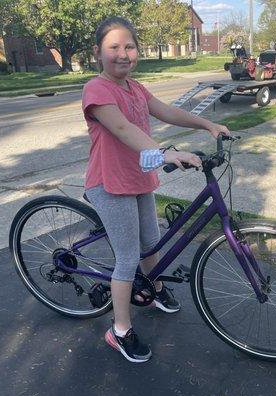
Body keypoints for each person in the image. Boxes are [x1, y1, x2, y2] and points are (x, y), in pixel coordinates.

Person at [81, 16, 230, 363]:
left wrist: (207, 124)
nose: (123, 54)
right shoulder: (97, 89)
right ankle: (119, 331)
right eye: (113, 47)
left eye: (129, 46)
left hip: (138, 178)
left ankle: (155, 288)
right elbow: (121, 129)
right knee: (129, 258)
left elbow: (166, 111)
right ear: (98, 52)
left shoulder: (135, 87)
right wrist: (167, 152)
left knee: (152, 242)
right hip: (110, 183)